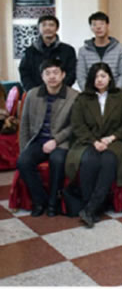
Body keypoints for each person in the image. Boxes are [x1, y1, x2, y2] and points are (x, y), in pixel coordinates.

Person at [66, 63, 122, 228]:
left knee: (109, 160)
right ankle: (90, 206)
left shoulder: (121, 96)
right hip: (88, 141)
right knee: (89, 161)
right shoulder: (82, 98)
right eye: (95, 77)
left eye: (103, 76)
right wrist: (94, 141)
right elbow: (78, 125)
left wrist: (111, 138)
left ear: (110, 78)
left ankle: (90, 208)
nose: (99, 80)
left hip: (114, 141)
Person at [16, 59, 78, 217]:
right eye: (48, 73)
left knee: (57, 160)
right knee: (23, 161)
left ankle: (53, 202)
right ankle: (40, 200)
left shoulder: (74, 96)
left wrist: (56, 140)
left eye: (56, 73)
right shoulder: (32, 95)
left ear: (63, 75)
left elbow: (74, 125)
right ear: (42, 76)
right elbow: (24, 124)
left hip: (61, 142)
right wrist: (24, 149)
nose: (52, 77)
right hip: (38, 140)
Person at [19, 15, 76, 91]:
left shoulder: (68, 50)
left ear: (57, 28)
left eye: (51, 25)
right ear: (38, 28)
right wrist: (33, 90)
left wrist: (59, 89)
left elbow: (72, 72)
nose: (48, 28)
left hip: (62, 92)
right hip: (36, 93)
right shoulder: (30, 51)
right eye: (44, 25)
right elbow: (24, 72)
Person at [76, 11, 122, 90]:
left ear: (108, 25)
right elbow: (81, 76)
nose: (98, 27)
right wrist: (89, 93)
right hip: (91, 94)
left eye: (101, 24)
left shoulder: (120, 49)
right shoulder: (83, 51)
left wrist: (115, 93)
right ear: (91, 28)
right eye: (94, 24)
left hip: (114, 93)